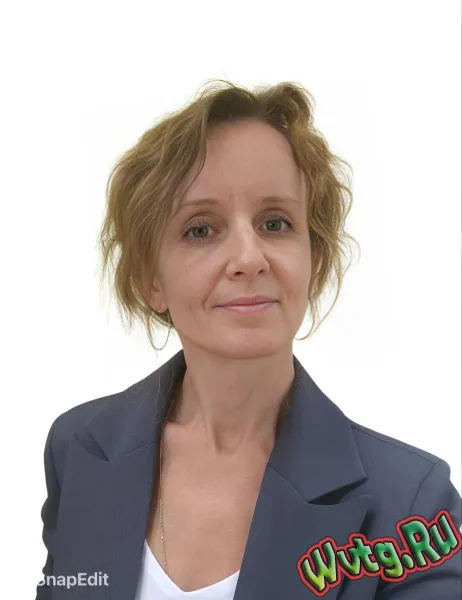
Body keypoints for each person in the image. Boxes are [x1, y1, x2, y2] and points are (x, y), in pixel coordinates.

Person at [36, 79, 461, 600]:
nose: (248, 258)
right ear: (151, 278)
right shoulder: (77, 450)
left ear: (313, 259)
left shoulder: (412, 506)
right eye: (200, 229)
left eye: (275, 223)